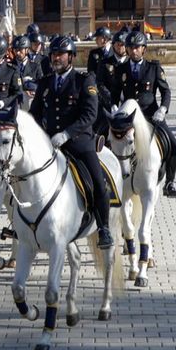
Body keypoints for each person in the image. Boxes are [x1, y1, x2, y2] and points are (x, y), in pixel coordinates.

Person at [30, 36, 112, 248]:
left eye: (60, 54)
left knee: (98, 184)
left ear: (71, 57)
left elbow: (90, 115)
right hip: (49, 144)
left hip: (77, 143)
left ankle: (104, 229)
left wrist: (66, 134)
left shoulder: (84, 81)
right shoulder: (46, 83)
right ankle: (23, 224)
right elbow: (35, 113)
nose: (55, 58)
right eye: (53, 54)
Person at [101, 31, 176, 197]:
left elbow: (165, 91)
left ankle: (170, 182)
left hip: (151, 115)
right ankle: (106, 179)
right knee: (103, 138)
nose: (133, 51)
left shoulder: (153, 67)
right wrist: (114, 106)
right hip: (127, 117)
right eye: (130, 48)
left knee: (174, 146)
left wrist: (163, 109)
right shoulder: (121, 69)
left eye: (137, 47)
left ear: (144, 49)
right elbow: (115, 92)